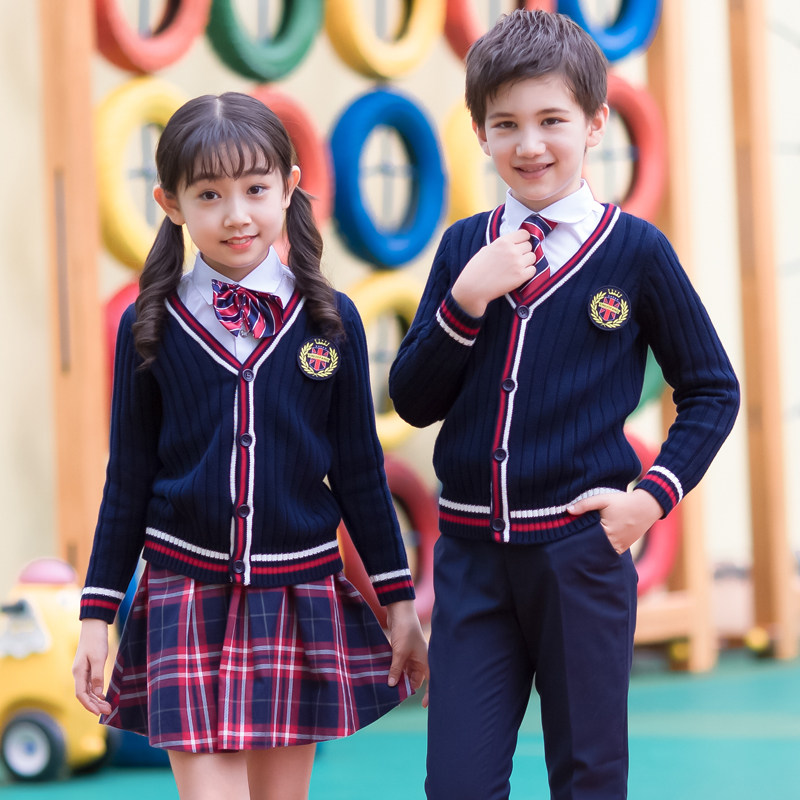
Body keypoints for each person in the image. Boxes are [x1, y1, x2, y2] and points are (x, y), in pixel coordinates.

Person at [389, 10, 739, 800]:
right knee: (458, 785)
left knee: (588, 778)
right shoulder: (463, 248)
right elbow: (411, 400)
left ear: (595, 123)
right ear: (479, 132)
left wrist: (649, 500)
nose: (530, 144)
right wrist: (466, 301)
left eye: (552, 120)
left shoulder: (636, 252)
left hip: (582, 556)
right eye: (506, 124)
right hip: (471, 562)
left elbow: (713, 389)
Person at [73, 92, 428, 800]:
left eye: (255, 189)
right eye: (209, 194)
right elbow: (128, 478)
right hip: (183, 592)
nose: (236, 214)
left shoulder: (331, 320)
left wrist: (399, 604)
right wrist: (95, 615)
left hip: (296, 594)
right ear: (170, 203)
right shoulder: (149, 324)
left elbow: (360, 473)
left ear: (289, 187)